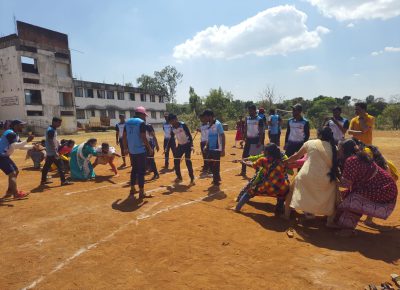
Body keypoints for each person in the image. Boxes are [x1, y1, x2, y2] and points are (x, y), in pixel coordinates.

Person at [334, 139, 397, 235]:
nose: (338, 151)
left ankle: (347, 230)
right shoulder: (359, 156)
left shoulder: (352, 161)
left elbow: (346, 184)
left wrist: (331, 181)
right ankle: (341, 222)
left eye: (339, 149)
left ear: (344, 150)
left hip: (384, 190)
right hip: (383, 188)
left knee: (354, 200)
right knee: (349, 196)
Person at [284, 127, 339, 221]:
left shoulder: (310, 143)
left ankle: (286, 216)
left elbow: (296, 157)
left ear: (319, 135)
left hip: (305, 177)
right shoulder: (335, 148)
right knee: (334, 196)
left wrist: (285, 162)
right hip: (326, 180)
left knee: (291, 192)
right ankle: (330, 221)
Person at [235, 143, 290, 216]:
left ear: (268, 152)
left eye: (265, 150)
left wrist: (243, 162)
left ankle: (237, 208)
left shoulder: (263, 160)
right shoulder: (283, 161)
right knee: (282, 194)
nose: (263, 152)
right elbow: (289, 171)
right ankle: (278, 210)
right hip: (282, 187)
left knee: (250, 191)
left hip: (267, 186)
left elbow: (252, 165)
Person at [123, 106, 154, 198]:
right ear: (141, 114)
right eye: (144, 115)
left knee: (134, 169)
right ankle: (141, 192)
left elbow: (124, 136)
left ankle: (132, 188)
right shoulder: (141, 123)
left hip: (132, 151)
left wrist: (125, 148)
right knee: (141, 172)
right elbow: (143, 137)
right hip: (140, 151)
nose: (145, 117)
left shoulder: (127, 122)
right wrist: (149, 148)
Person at [0, 120, 34, 198]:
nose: (23, 127)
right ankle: (16, 194)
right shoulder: (10, 133)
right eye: (21, 125)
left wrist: (33, 147)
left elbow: (20, 146)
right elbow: (15, 145)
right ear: (15, 126)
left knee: (16, 171)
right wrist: (27, 140)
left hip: (4, 156)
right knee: (12, 173)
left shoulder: (15, 134)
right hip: (1, 156)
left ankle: (10, 191)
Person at [40, 117, 72, 186]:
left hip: (50, 152)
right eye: (59, 122)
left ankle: (43, 181)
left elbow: (54, 140)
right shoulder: (51, 130)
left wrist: (59, 145)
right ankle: (63, 181)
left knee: (46, 166)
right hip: (52, 152)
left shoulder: (52, 129)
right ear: (54, 122)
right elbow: (51, 141)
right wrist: (55, 152)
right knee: (61, 166)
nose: (60, 124)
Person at [168, 113, 195, 184]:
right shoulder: (172, 128)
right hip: (180, 146)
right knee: (176, 160)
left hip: (187, 145)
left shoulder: (183, 125)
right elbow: (171, 136)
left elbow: (189, 135)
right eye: (170, 122)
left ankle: (192, 178)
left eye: (172, 121)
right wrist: (167, 147)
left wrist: (192, 145)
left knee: (187, 161)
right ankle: (179, 177)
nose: (171, 123)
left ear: (175, 119)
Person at [241, 105, 265, 176]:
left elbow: (261, 132)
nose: (249, 112)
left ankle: (257, 173)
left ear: (255, 110)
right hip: (248, 139)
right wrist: (244, 138)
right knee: (245, 155)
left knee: (255, 157)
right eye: (249, 110)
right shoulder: (247, 118)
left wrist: (260, 142)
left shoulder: (259, 119)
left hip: (256, 139)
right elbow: (246, 128)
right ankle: (243, 171)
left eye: (251, 110)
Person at [203, 109, 225, 186]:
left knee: (215, 164)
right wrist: (206, 145)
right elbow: (208, 137)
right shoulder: (209, 125)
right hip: (210, 148)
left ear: (210, 116)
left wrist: (223, 149)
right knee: (209, 162)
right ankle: (217, 176)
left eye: (205, 117)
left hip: (217, 148)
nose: (204, 119)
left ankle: (216, 181)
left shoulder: (218, 124)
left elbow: (222, 136)